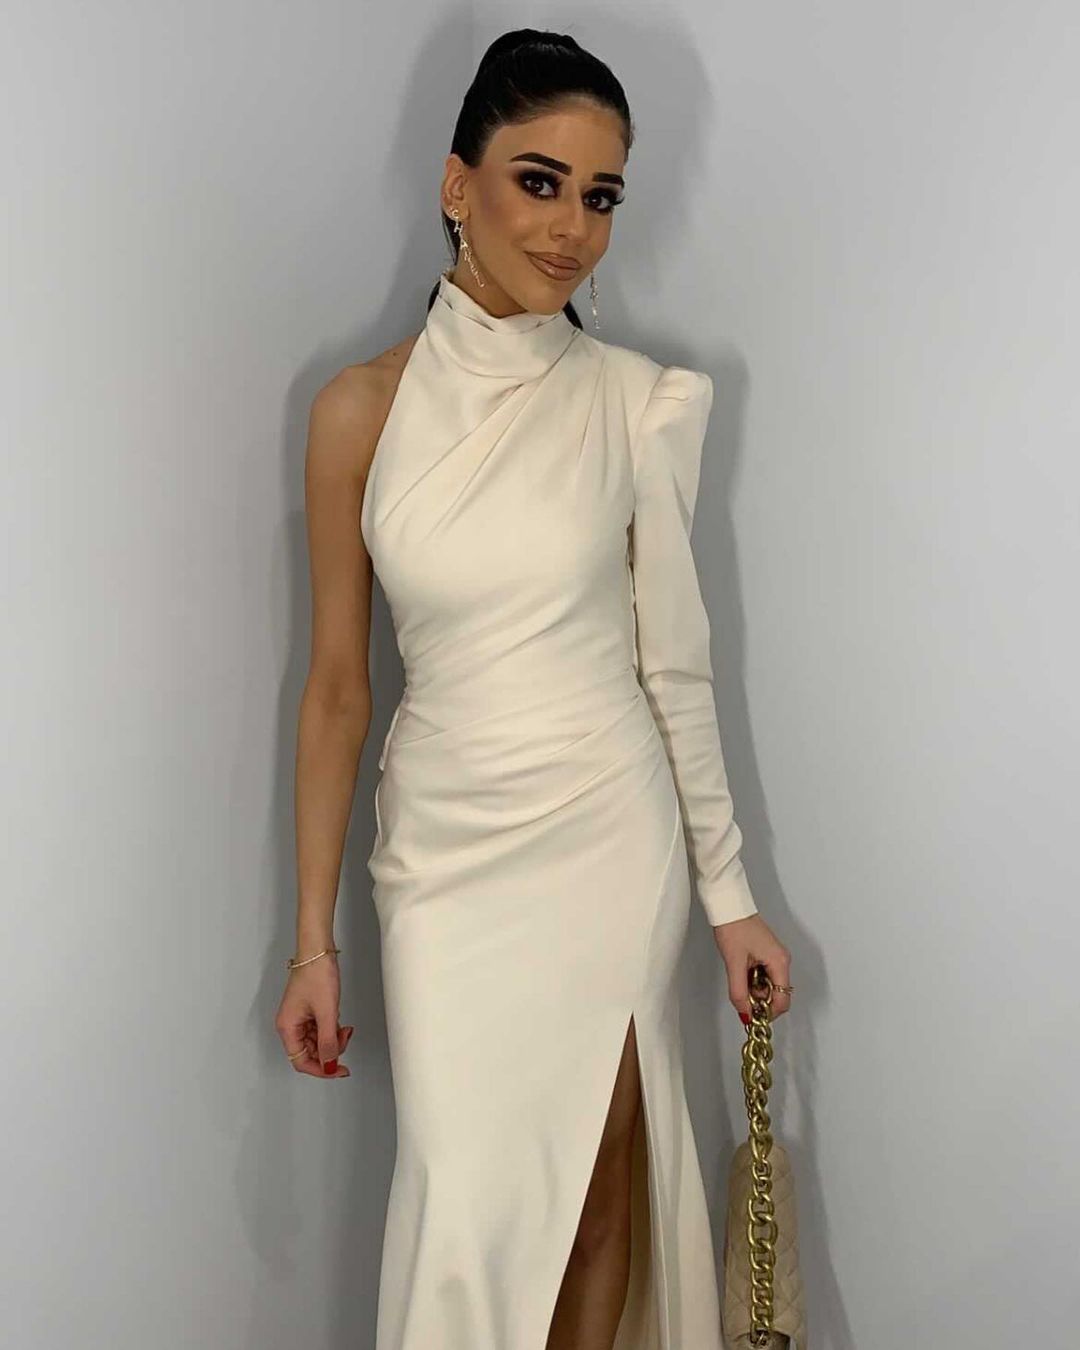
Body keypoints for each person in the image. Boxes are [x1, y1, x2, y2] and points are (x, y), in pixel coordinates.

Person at [275, 27, 794, 1350]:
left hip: (608, 834)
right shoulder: (357, 412)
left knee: (604, 1188)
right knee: (468, 1201)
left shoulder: (635, 403)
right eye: (540, 181)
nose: (572, 228)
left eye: (601, 195)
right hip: (444, 859)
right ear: (460, 185)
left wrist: (730, 898)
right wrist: (312, 942)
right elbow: (336, 692)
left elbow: (675, 665)